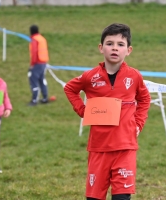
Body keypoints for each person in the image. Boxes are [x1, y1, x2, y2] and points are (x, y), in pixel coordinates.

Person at [64, 23, 151, 200]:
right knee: (94, 198)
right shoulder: (90, 76)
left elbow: (144, 99)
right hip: (98, 148)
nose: (115, 48)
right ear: (101, 48)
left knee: (121, 198)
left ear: (129, 50)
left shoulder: (134, 76)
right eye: (110, 43)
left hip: (125, 147)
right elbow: (69, 89)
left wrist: (139, 124)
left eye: (120, 44)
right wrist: (83, 111)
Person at [28, 24, 50, 106]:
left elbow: (34, 53)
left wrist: (32, 64)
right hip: (44, 63)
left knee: (33, 81)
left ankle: (34, 100)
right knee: (42, 80)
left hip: (37, 63)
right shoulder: (42, 38)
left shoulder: (34, 40)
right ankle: (45, 98)